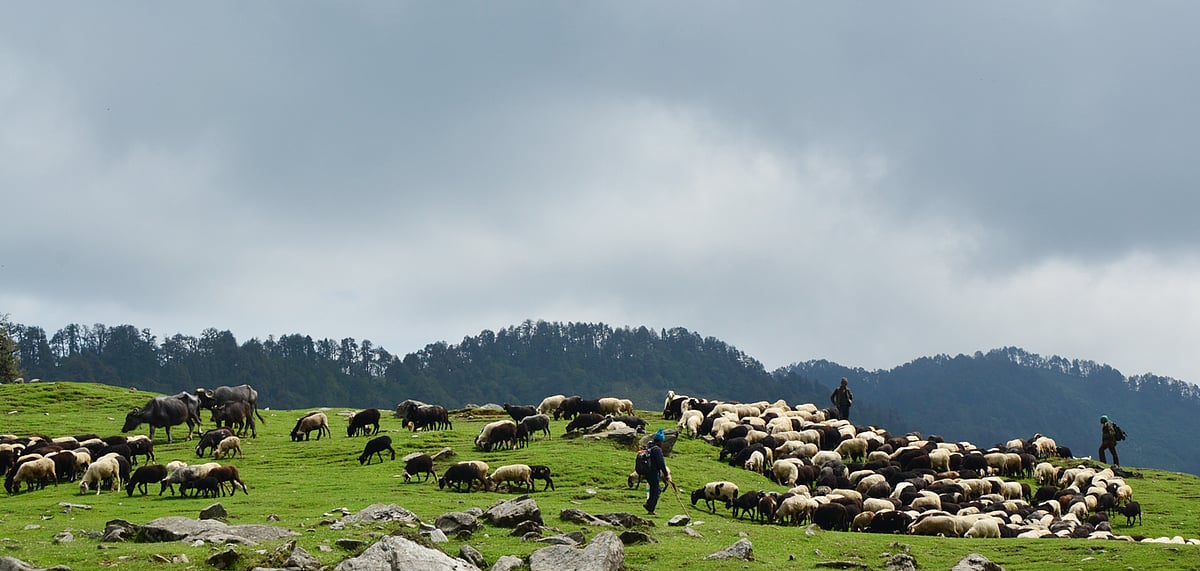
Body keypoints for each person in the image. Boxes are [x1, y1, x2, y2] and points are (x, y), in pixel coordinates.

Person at [643, 428, 671, 516]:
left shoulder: (649, 447)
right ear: (660, 441)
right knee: (656, 490)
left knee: (654, 489)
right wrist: (666, 474)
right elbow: (661, 463)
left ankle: (649, 505)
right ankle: (650, 508)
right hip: (653, 472)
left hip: (646, 472)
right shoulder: (657, 450)